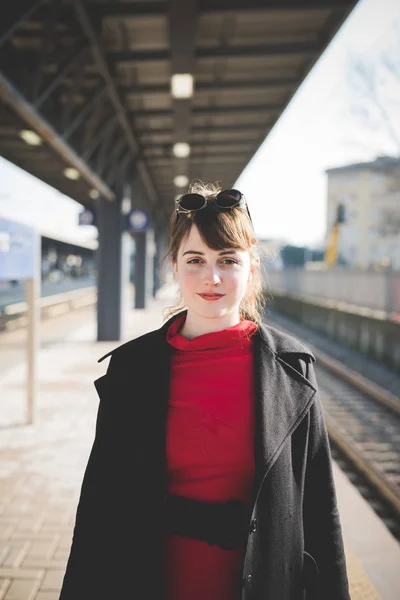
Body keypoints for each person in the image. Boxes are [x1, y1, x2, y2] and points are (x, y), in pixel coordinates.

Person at [59, 182, 350, 600]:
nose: (211, 277)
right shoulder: (132, 371)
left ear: (250, 270)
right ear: (174, 266)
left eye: (227, 260)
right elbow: (98, 513)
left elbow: (321, 513)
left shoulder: (292, 368)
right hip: (148, 583)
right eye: (195, 259)